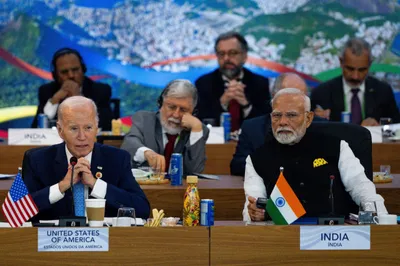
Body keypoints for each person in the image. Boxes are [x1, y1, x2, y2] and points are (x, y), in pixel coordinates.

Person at [243, 88, 387, 222]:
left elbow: (362, 187)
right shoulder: (257, 159)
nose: (283, 122)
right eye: (277, 116)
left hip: (336, 235)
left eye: (291, 115)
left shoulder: (337, 147)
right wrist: (254, 213)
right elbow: (252, 203)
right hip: (284, 237)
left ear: (309, 118)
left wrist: (380, 218)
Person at [24, 96, 150, 221]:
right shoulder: (37, 160)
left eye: (88, 128)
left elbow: (142, 209)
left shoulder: (117, 159)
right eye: (74, 128)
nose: (82, 136)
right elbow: (18, 211)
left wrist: (96, 185)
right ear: (60, 130)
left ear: (96, 127)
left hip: (105, 239)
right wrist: (62, 186)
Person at [230, 73, 325, 176]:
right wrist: (276, 166)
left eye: (302, 97)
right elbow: (237, 166)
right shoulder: (252, 128)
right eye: (290, 96)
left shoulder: (322, 127)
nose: (296, 103)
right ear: (274, 96)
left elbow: (329, 163)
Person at [121, 79, 209, 174]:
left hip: (181, 188)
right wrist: (146, 153)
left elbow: (195, 171)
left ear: (193, 112)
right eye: (171, 107)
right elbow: (129, 144)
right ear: (160, 103)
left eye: (183, 110)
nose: (176, 115)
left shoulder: (198, 130)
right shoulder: (144, 120)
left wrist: (196, 130)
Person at [311, 37, 400, 126]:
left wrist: (380, 127)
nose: (355, 76)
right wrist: (318, 119)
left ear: (370, 64)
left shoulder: (383, 91)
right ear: (341, 62)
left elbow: (396, 128)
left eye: (362, 70)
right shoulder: (321, 93)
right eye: (350, 69)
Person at [195, 31, 271, 131]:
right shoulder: (203, 83)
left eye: (233, 53)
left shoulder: (260, 83)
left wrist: (246, 105)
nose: (226, 58)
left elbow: (266, 124)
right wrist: (222, 103)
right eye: (221, 54)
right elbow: (199, 123)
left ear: (244, 56)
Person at [31, 47, 113, 130]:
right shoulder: (46, 91)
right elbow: (36, 129)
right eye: (64, 72)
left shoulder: (101, 91)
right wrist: (54, 100)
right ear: (55, 75)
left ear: (83, 69)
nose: (71, 75)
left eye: (75, 70)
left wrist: (78, 99)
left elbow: (105, 126)